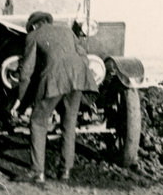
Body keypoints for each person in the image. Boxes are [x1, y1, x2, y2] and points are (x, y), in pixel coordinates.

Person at [10, 11, 97, 184]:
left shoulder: (33, 36)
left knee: (38, 122)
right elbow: (83, 57)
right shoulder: (67, 31)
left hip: (54, 80)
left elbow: (27, 71)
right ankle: (65, 171)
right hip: (79, 78)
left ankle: (37, 172)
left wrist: (20, 99)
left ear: (34, 25)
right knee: (69, 123)